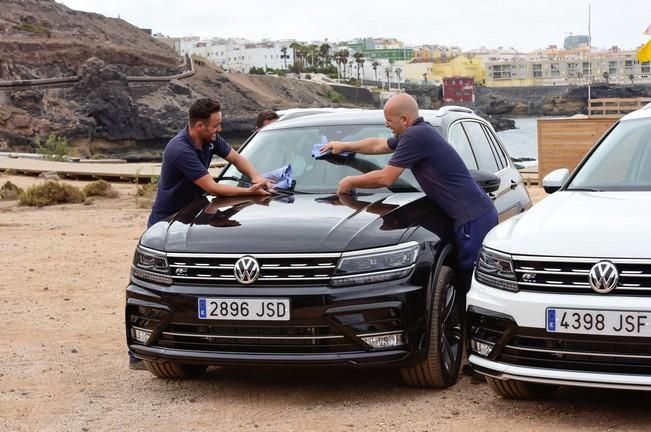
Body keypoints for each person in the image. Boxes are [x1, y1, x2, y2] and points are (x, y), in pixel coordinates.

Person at [320, 93, 498, 292]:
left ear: (404, 120)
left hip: (472, 218)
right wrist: (344, 146)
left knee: (472, 281)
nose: (386, 125)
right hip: (474, 214)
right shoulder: (418, 132)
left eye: (389, 120)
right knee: (468, 279)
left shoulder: (416, 136)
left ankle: (472, 322)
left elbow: (386, 178)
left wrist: (350, 181)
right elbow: (379, 144)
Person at [147, 98, 271, 228]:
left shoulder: (211, 139)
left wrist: (256, 177)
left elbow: (236, 159)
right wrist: (251, 192)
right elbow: (212, 187)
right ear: (199, 126)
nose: (220, 129)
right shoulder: (180, 149)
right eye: (215, 125)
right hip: (169, 220)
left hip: (194, 213)